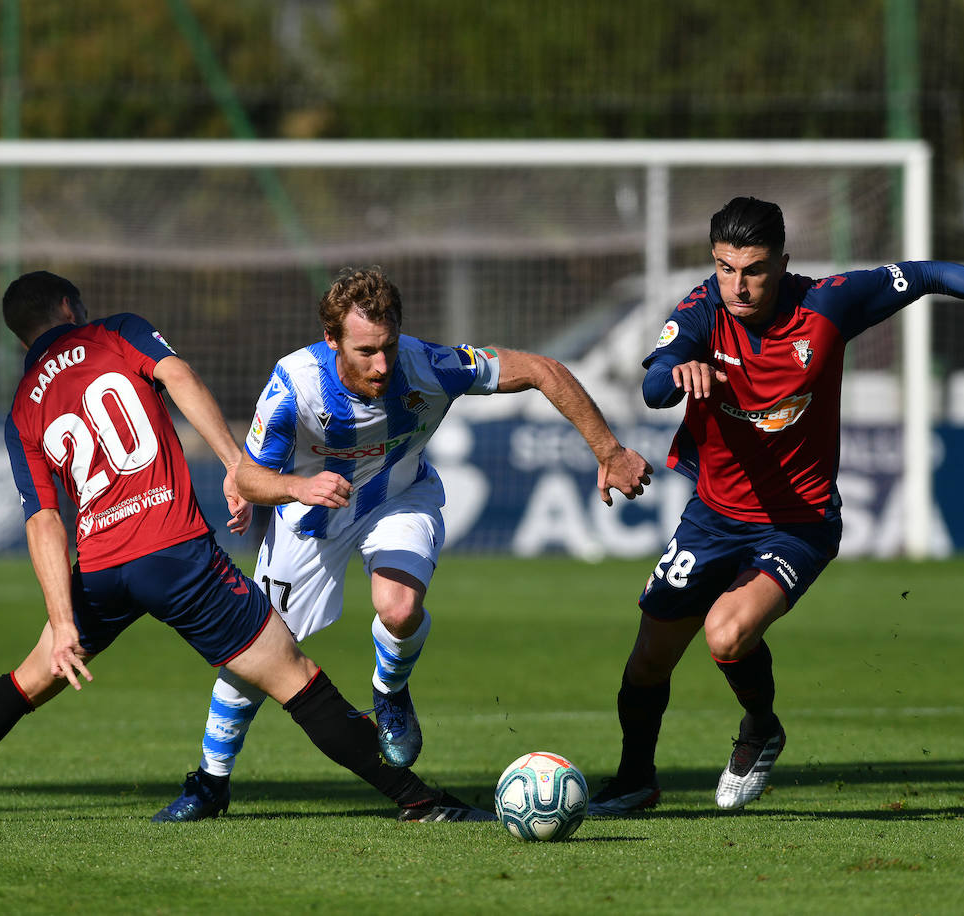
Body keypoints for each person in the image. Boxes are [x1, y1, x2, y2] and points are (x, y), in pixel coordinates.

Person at [0, 270, 489, 824]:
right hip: (175, 554)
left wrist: (62, 623)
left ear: (20, 336)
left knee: (24, 682)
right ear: (68, 306)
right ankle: (419, 798)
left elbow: (43, 523)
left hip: (102, 569)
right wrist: (233, 465)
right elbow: (180, 376)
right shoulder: (116, 332)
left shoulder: (22, 408)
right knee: (294, 679)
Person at [587, 197, 964, 817]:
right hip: (713, 516)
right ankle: (635, 779)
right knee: (648, 661)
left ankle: (759, 729)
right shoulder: (702, 309)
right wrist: (677, 374)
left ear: (783, 263)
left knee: (726, 634)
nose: (738, 285)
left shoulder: (828, 304)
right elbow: (651, 385)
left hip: (799, 522)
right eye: (725, 268)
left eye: (752, 269)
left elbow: (931, 273)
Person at [153, 266, 654, 822]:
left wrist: (608, 450)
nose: (383, 364)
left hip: (399, 498)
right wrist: (296, 487)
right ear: (332, 340)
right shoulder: (293, 386)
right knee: (258, 650)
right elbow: (246, 478)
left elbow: (543, 369)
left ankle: (389, 691)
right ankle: (209, 784)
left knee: (399, 607)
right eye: (366, 350)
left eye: (389, 346)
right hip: (313, 511)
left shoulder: (431, 365)